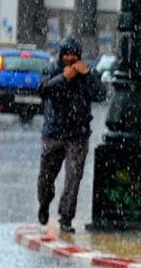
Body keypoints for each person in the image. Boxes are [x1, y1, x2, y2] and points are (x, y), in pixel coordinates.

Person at [36, 35, 107, 233]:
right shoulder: (52, 71)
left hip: (78, 134)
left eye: (74, 55)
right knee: (46, 177)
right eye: (66, 55)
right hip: (53, 133)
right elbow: (43, 90)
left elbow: (100, 94)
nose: (70, 59)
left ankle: (66, 216)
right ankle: (44, 202)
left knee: (73, 178)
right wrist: (63, 78)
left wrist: (87, 77)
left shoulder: (86, 74)